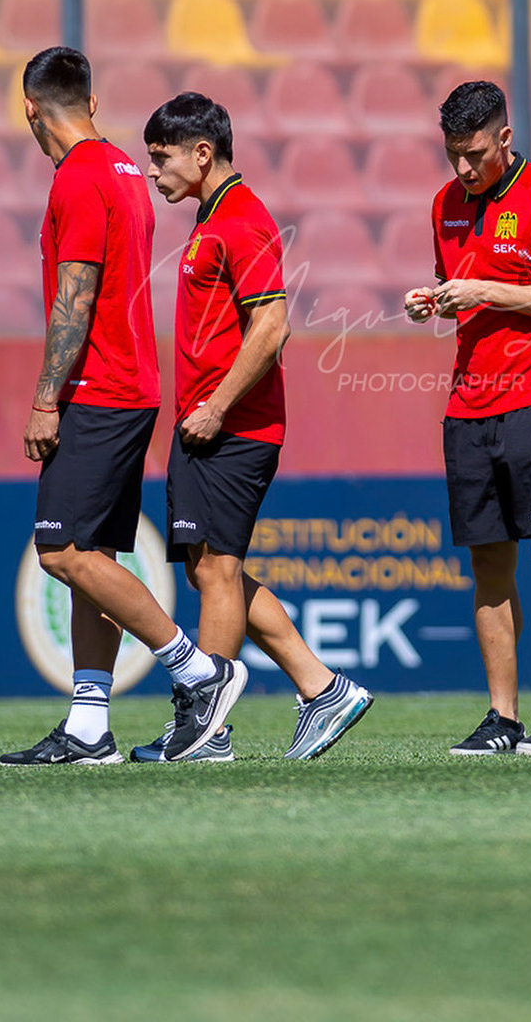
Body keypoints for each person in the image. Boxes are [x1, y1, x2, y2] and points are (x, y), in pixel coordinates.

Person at [0, 48, 247, 767]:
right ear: (94, 103)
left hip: (94, 391)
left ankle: (200, 673)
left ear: (29, 109)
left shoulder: (76, 180)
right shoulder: (126, 173)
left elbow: (75, 297)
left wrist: (47, 400)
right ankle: (88, 726)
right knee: (96, 552)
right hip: (134, 385)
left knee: (62, 551)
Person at [137, 92, 374, 763]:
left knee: (216, 571)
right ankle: (322, 687)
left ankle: (206, 731)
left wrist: (215, 407)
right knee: (212, 570)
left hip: (231, 429)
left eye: (162, 158)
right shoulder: (212, 218)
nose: (154, 172)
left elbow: (272, 327)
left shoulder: (240, 218)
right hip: (210, 426)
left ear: (202, 153)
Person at [403, 80, 531, 756]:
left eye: (475, 154)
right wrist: (437, 301)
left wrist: (488, 289)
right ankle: (503, 719)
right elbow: (465, 294)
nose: (463, 169)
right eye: (453, 154)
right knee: (489, 565)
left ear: (505, 140)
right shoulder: (444, 205)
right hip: (469, 403)